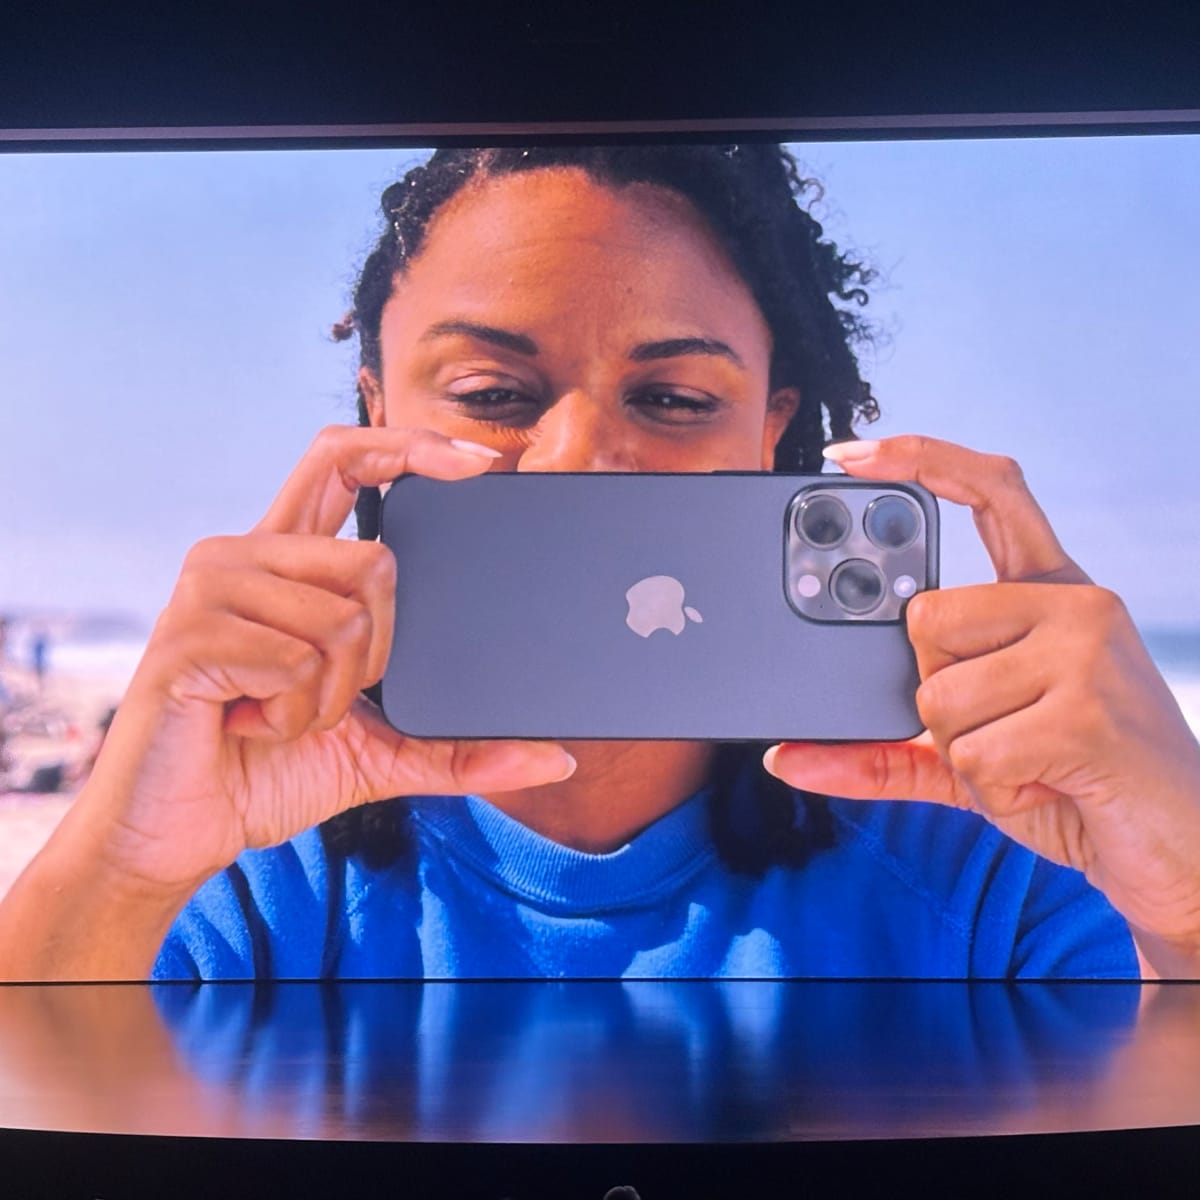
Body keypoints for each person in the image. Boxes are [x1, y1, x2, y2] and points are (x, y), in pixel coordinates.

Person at [1, 143, 1198, 982]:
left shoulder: (990, 866)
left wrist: (1186, 893)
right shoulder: (246, 858)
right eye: (493, 393)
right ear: (375, 415)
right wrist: (122, 863)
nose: (578, 455)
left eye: (673, 397)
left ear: (773, 430)